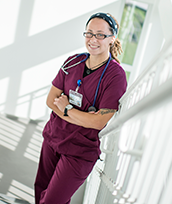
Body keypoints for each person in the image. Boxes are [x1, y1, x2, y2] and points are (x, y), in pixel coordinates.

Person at [34, 12, 127, 204]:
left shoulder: (115, 76)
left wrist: (67, 109)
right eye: (89, 33)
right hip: (53, 138)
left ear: (112, 38)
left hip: (80, 151)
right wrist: (82, 117)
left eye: (100, 34)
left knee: (52, 201)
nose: (93, 39)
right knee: (41, 193)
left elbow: (99, 121)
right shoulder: (72, 61)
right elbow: (51, 100)